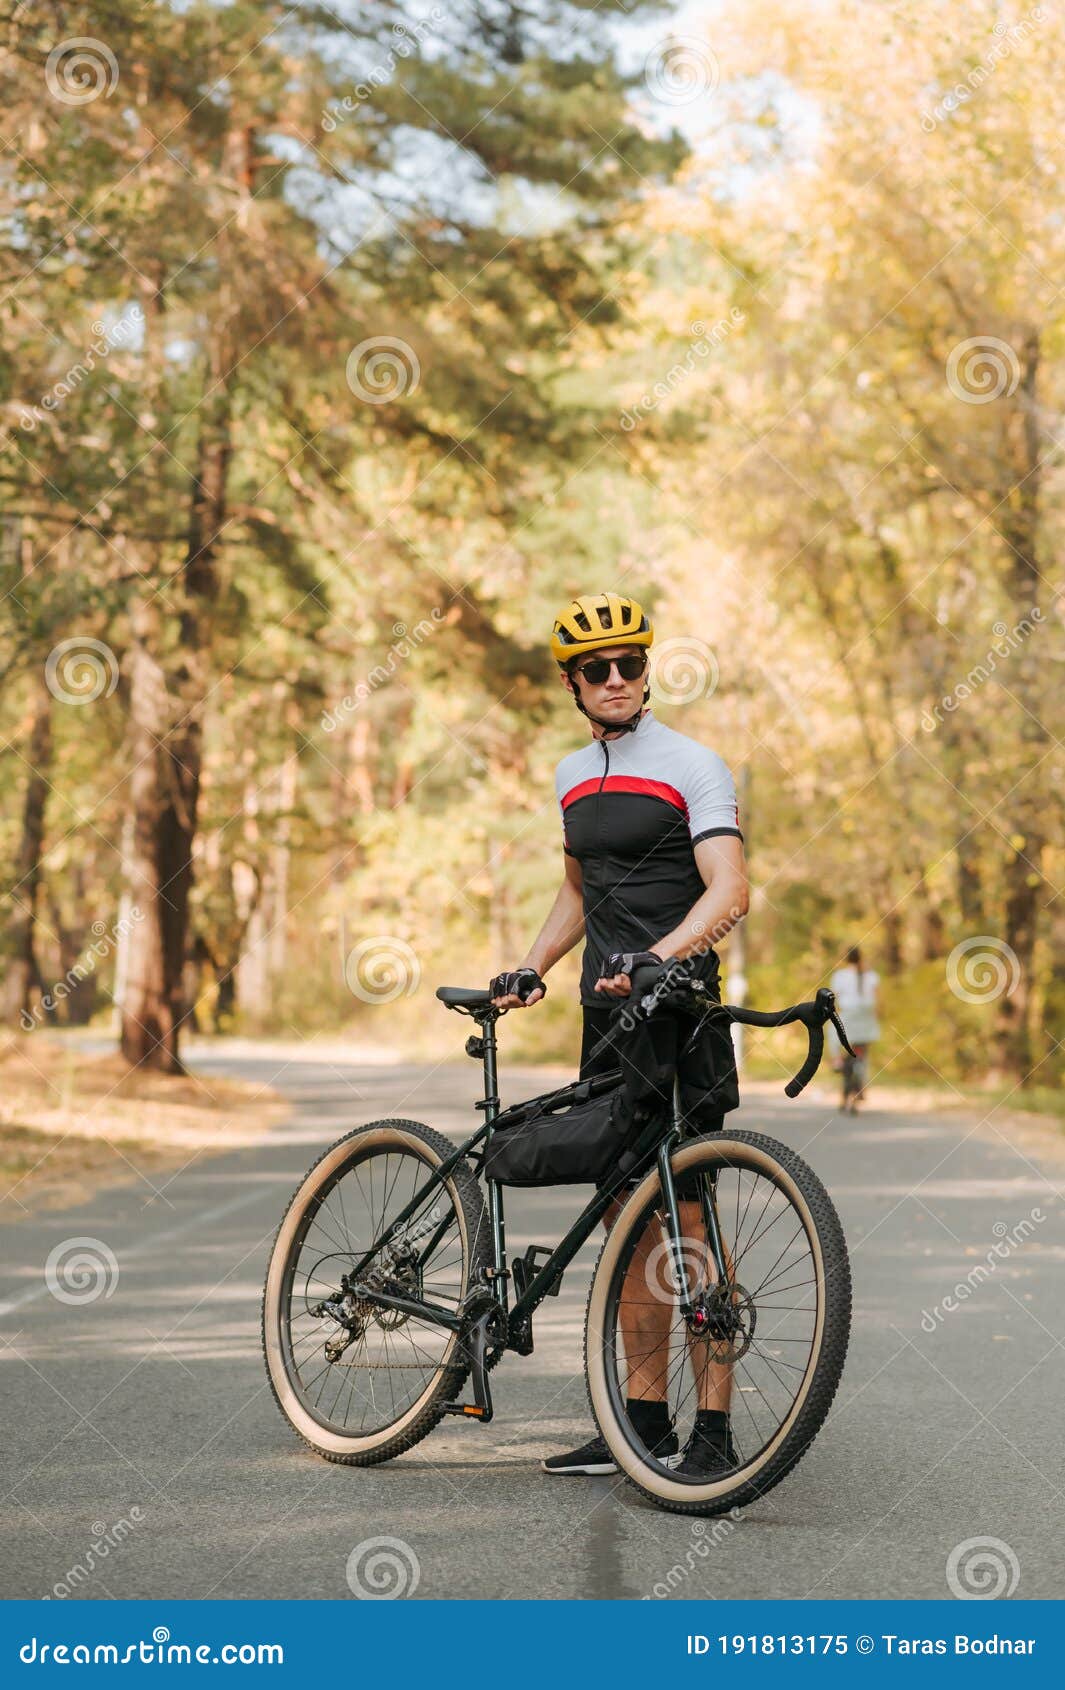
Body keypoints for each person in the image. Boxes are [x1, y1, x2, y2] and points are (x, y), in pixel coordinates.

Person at [489, 591, 749, 1479]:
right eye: (595, 669)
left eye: (629, 664)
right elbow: (578, 891)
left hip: (678, 1014)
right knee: (624, 1222)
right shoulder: (570, 774)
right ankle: (640, 1423)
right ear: (569, 681)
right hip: (605, 1025)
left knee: (685, 1222)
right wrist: (532, 966)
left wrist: (659, 957)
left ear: (647, 671)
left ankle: (712, 1432)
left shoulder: (693, 764)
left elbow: (729, 890)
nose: (614, 680)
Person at [828, 946, 880, 1114]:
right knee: (862, 1055)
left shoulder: (840, 976)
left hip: (848, 1019)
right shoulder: (872, 976)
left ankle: (836, 1059)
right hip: (866, 1020)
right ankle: (861, 1085)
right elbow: (878, 1002)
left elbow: (832, 1001)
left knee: (833, 1033)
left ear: (846, 959)